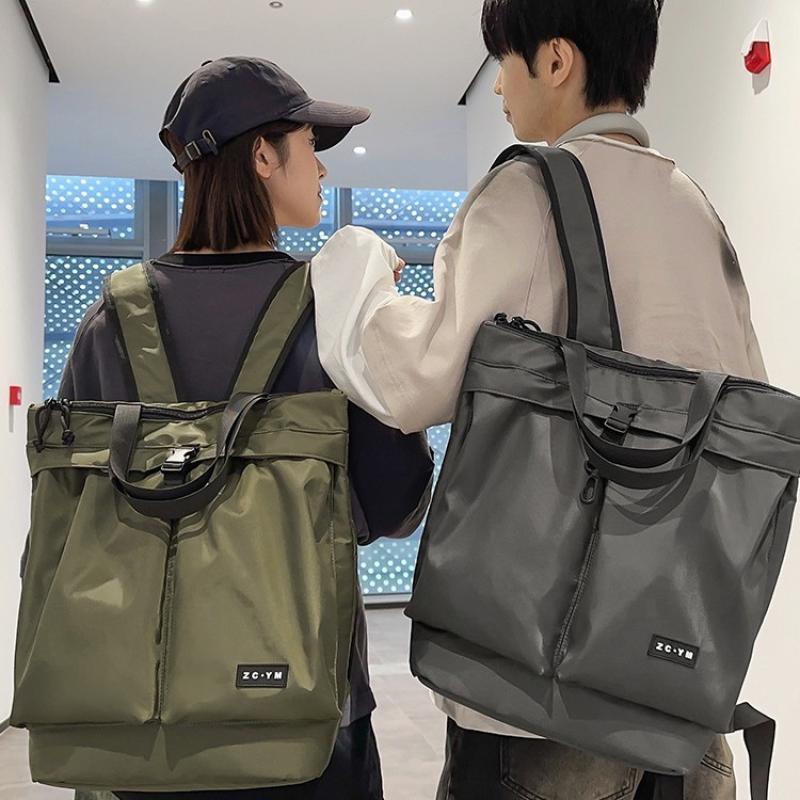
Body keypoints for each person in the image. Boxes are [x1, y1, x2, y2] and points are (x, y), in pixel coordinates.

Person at [310, 1, 765, 797]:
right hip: (678, 683)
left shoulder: (527, 191)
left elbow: (417, 380)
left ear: (556, 61)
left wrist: (359, 275)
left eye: (505, 63)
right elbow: (740, 408)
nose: (497, 89)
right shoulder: (697, 209)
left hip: (542, 698)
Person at [60, 57, 434, 800]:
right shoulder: (330, 314)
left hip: (139, 720)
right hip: (304, 711)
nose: (322, 169)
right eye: (310, 145)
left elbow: (73, 515)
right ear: (263, 155)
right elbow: (395, 505)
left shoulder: (110, 321)